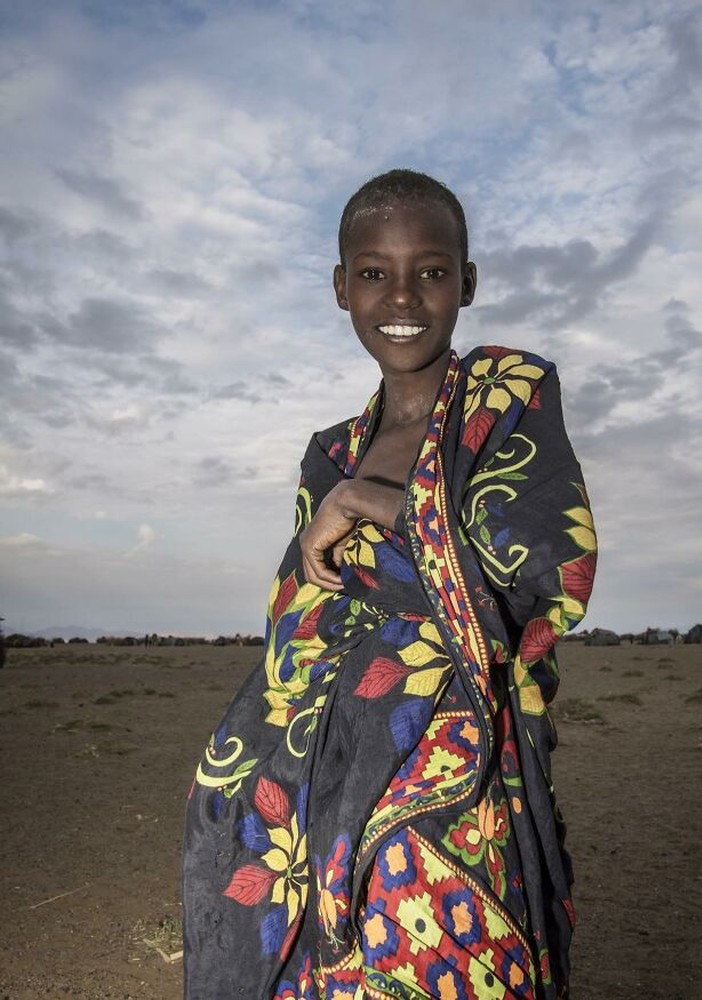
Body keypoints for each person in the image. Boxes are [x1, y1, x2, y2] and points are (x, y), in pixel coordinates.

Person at [183, 169, 597, 999]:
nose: (402, 295)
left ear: (466, 283)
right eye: (374, 272)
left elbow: (547, 576)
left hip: (454, 772)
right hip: (323, 764)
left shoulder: (506, 400)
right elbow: (302, 617)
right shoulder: (330, 453)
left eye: (431, 271)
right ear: (342, 287)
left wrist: (373, 503)